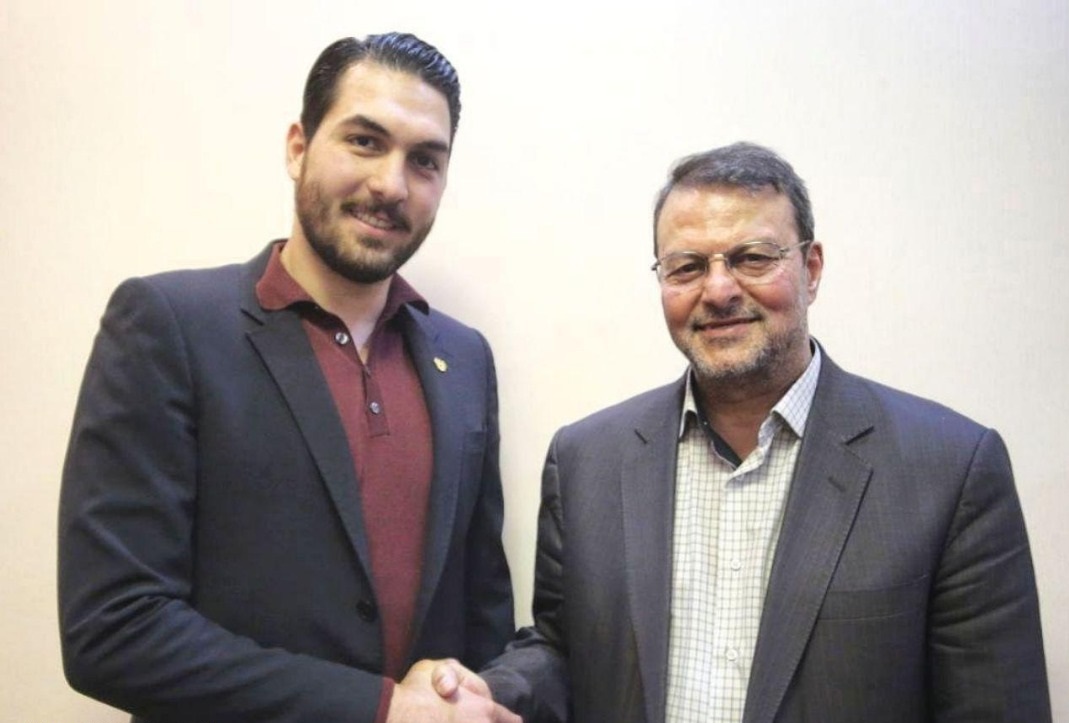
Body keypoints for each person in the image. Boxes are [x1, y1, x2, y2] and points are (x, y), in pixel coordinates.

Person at [455, 142, 1051, 721]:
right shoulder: (586, 460)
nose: (718, 290)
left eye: (753, 258)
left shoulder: (950, 470)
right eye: (687, 266)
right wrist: (479, 695)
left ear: (811, 270)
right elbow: (564, 649)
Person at [58, 33, 518, 723]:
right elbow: (113, 629)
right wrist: (380, 708)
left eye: (424, 160)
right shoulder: (169, 325)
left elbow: (482, 612)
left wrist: (469, 693)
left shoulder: (465, 358)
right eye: (364, 141)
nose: (391, 184)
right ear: (298, 147)